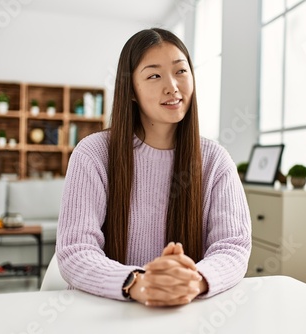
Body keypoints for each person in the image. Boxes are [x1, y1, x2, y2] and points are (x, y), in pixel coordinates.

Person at [56, 28, 252, 307]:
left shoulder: (215, 160)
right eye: (154, 75)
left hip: (185, 312)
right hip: (104, 313)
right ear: (131, 91)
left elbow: (233, 247)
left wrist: (192, 280)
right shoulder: (93, 154)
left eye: (180, 71)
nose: (172, 86)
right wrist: (140, 282)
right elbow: (75, 251)